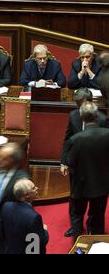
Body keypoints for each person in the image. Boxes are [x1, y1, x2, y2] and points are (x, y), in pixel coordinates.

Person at [60, 88, 106, 237]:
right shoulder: (73, 115)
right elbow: (67, 140)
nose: (77, 106)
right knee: (76, 203)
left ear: (88, 102)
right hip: (78, 170)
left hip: (97, 169)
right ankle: (76, 228)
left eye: (80, 103)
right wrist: (63, 162)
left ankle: (92, 229)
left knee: (96, 206)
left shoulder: (103, 120)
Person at [0, 142, 29, 254]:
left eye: (2, 158)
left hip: (11, 225)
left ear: (13, 161)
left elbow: (26, 209)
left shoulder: (22, 180)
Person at [2, 179, 49, 254]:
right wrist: (45, 230)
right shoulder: (34, 217)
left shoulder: (6, 206)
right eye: (33, 188)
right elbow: (39, 243)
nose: (37, 188)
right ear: (26, 195)